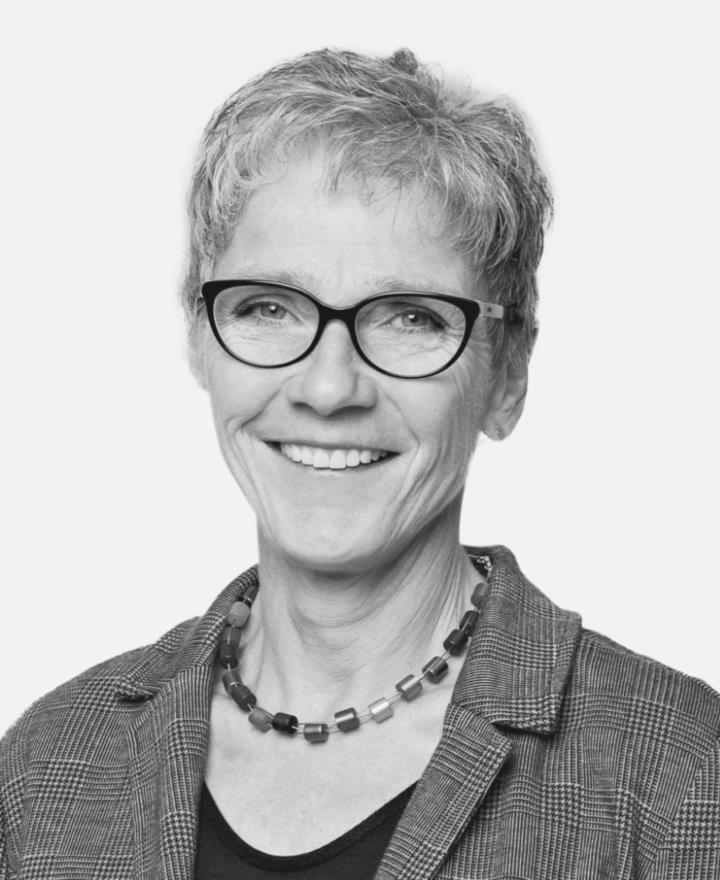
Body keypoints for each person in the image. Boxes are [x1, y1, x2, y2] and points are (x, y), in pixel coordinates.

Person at [1, 46, 718, 880]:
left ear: (507, 374)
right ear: (199, 339)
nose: (328, 386)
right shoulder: (47, 770)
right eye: (268, 307)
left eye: (410, 317)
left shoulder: (675, 776)